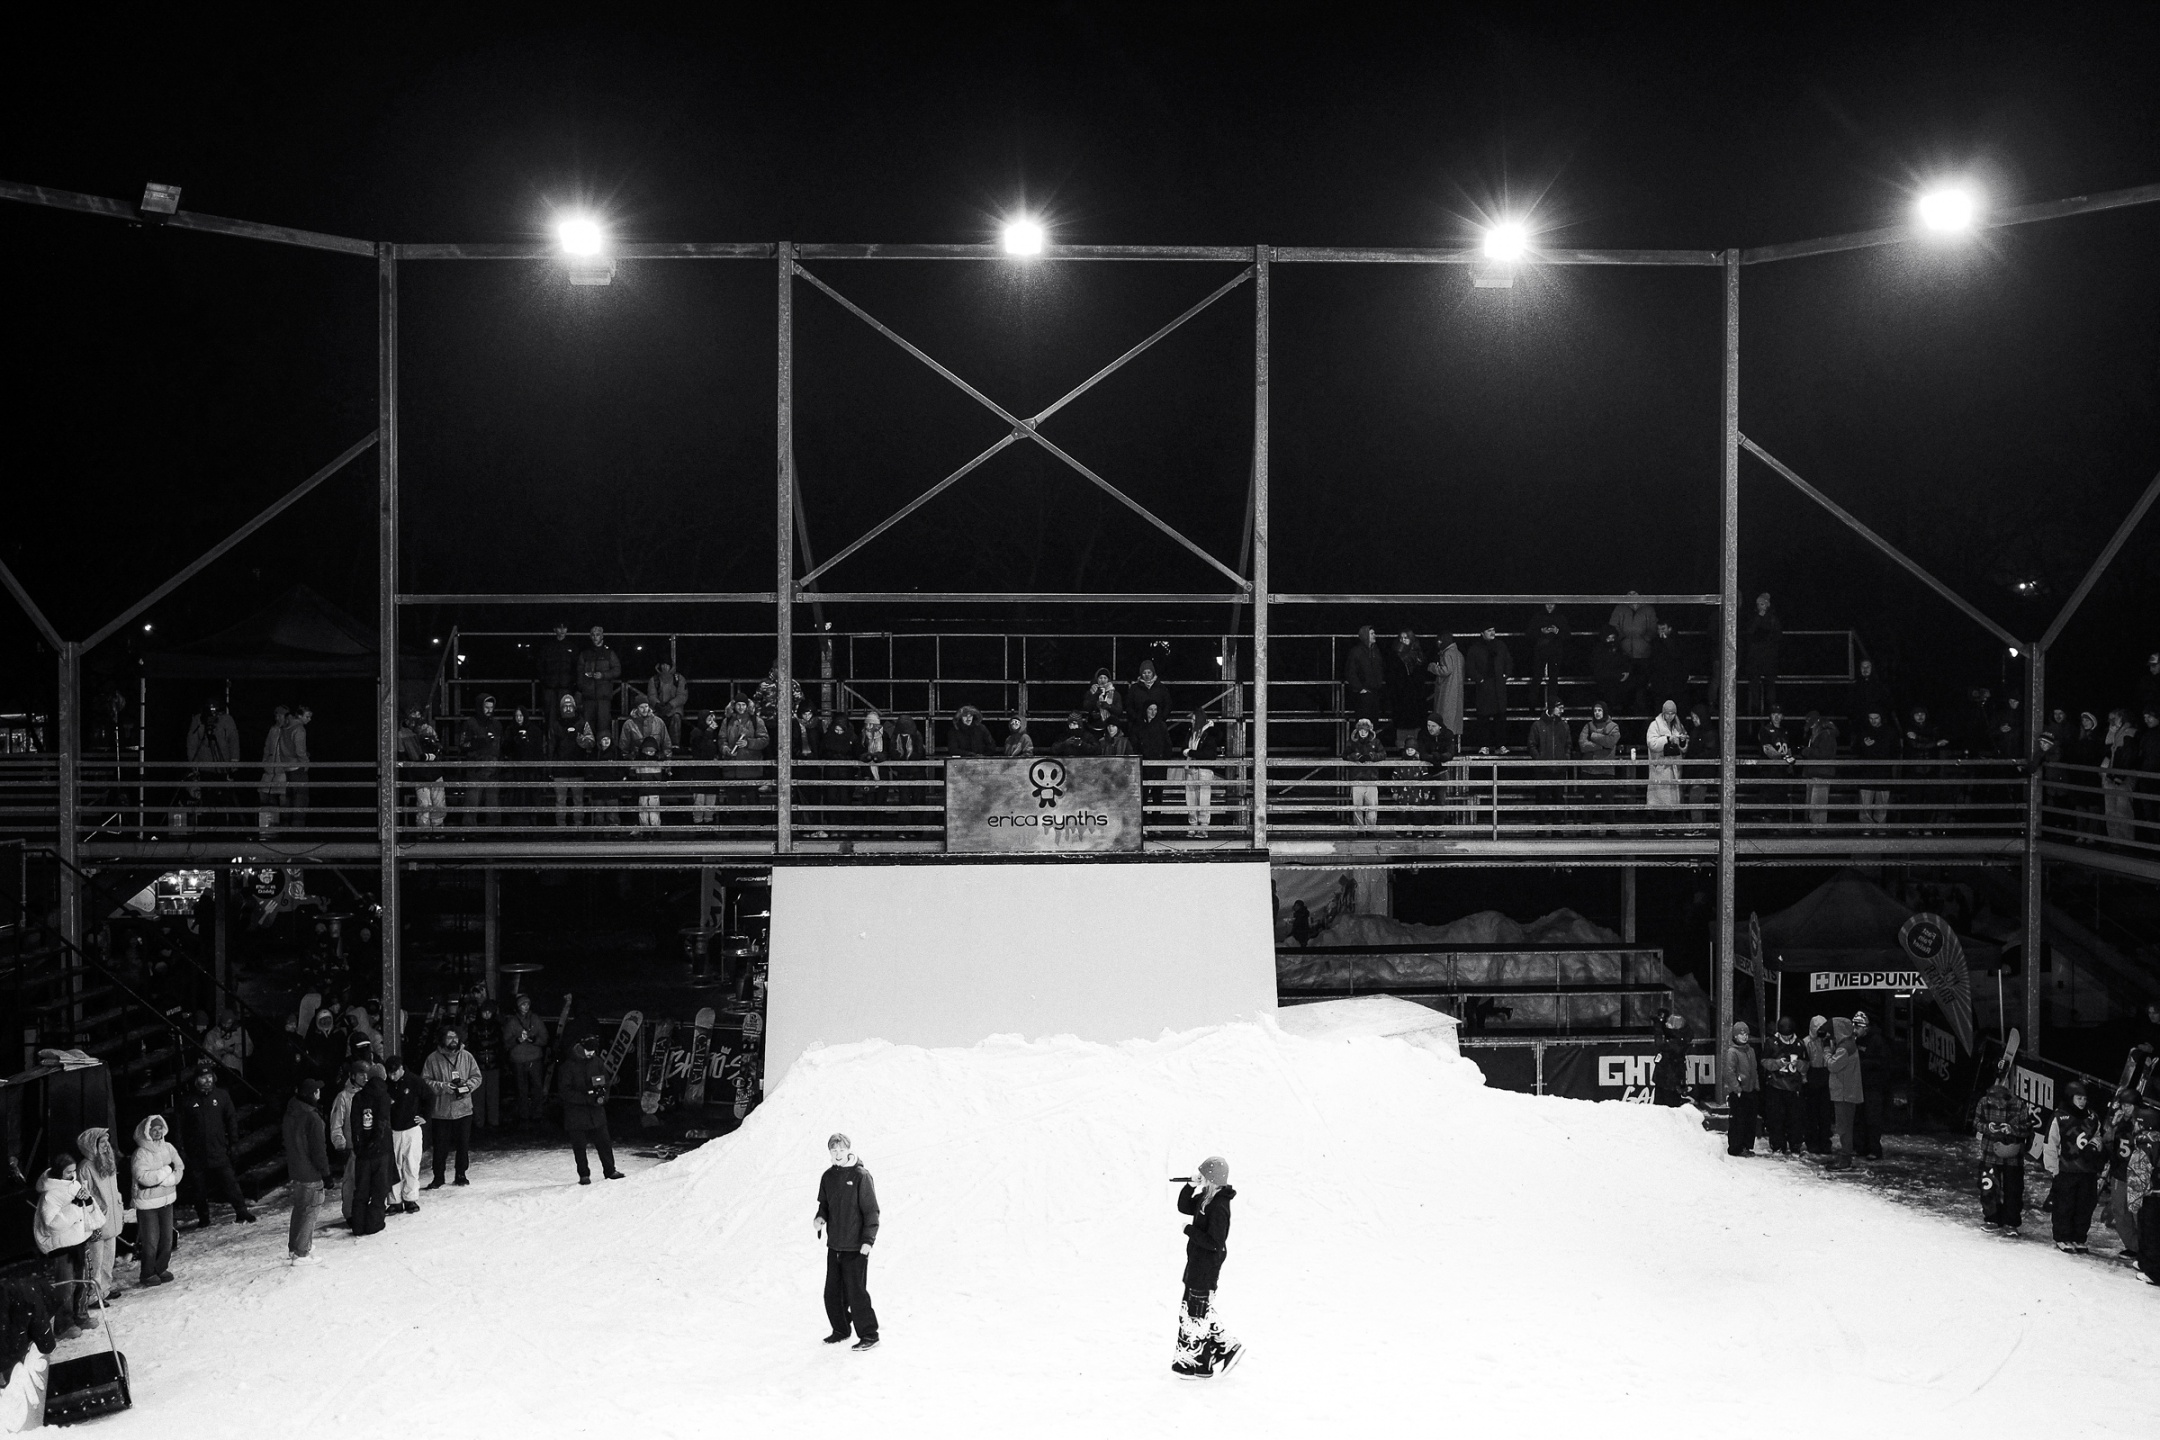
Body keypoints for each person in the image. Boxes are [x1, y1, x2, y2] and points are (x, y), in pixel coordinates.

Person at [1173, 1156, 1242, 1378]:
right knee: (1194, 1311)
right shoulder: (1206, 1198)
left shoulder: (1219, 1206)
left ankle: (1211, 1354)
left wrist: (1189, 1231)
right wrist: (1189, 1186)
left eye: (1203, 1174)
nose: (1200, 1176)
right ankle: (1204, 1362)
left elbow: (1215, 1242)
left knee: (1195, 1313)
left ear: (1212, 1177)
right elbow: (1184, 1206)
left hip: (1206, 1266)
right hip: (1196, 1262)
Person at [815, 1133, 881, 1351]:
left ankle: (870, 1335)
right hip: (834, 1246)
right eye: (834, 1150)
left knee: (856, 1293)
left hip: (856, 1247)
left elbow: (871, 1211)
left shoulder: (861, 1176)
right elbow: (824, 1205)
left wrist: (868, 1241)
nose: (837, 1154)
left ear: (848, 1150)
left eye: (841, 1150)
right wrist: (820, 1217)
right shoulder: (828, 1177)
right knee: (832, 1293)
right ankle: (841, 1330)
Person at [31, 1156, 101, 1339]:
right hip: (62, 1247)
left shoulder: (75, 1185)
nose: (72, 1174)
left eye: (74, 1170)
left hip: (79, 1241)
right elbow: (52, 1224)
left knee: (83, 1281)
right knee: (66, 1286)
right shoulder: (50, 1195)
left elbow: (85, 1209)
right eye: (68, 1171)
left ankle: (81, 1315)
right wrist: (75, 1206)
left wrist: (88, 1202)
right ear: (58, 1172)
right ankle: (64, 1323)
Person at [176, 1060, 254, 1225]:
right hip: (196, 1152)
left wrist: (234, 1143)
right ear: (196, 1080)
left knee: (230, 1182)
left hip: (218, 1149)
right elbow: (179, 1126)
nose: (207, 1080)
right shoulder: (187, 1100)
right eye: (203, 1077)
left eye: (210, 1076)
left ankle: (242, 1211)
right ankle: (203, 1218)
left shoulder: (222, 1096)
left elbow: (231, 1120)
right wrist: (181, 1149)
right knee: (198, 1188)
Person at [2042, 1078, 2105, 1253]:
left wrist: (2095, 1145)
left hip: (2088, 1171)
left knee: (2084, 1206)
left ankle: (2079, 1237)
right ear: (2070, 1098)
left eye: (2084, 1099)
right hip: (2066, 1169)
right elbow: (2050, 1142)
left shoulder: (2092, 1117)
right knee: (2064, 1205)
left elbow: (2098, 1135)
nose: (2082, 1102)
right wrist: (2053, 1168)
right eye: (2079, 1098)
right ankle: (2062, 1237)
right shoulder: (2060, 1117)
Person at [556, 1034, 624, 1185]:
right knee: (579, 1146)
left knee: (604, 1143)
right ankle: (584, 1175)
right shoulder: (568, 1066)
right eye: (588, 1051)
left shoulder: (597, 1062)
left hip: (596, 1112)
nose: (591, 1053)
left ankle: (610, 1170)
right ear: (581, 1048)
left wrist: (602, 1097)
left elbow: (606, 1082)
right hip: (576, 1114)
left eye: (593, 1051)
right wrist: (586, 1098)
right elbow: (565, 1092)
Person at [423, 1025, 481, 1188]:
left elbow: (477, 1077)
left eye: (455, 1037)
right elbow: (425, 1081)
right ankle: (438, 1177)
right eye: (449, 1037)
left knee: (463, 1145)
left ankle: (461, 1174)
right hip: (441, 1112)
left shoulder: (467, 1056)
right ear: (442, 1039)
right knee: (440, 1147)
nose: (453, 1040)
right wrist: (442, 1087)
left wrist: (468, 1086)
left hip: (463, 1110)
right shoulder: (432, 1059)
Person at [72, 1128, 123, 1306]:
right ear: (91, 1145)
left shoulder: (107, 1162)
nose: (106, 1146)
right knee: (96, 1259)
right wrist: (97, 1210)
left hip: (111, 1218)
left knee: (108, 1257)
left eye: (107, 1142)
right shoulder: (86, 1167)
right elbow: (85, 1194)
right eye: (101, 1142)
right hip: (97, 1220)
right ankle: (93, 1295)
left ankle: (105, 1289)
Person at [283, 1077, 331, 1265]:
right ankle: (301, 1252)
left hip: (296, 1168)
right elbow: (318, 1150)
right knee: (310, 1210)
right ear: (313, 1094)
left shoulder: (291, 1111)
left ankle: (295, 1246)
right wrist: (326, 1173)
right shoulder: (312, 1117)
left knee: (300, 1208)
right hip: (310, 1171)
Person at [1976, 1078, 2034, 1235]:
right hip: (1989, 1153)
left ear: (2003, 1100)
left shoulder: (2019, 1105)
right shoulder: (1983, 1103)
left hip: (2012, 1155)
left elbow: (2028, 1128)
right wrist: (1987, 1127)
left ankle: (2011, 1223)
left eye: (1995, 1101)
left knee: (2013, 1190)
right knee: (1988, 1186)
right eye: (1990, 1100)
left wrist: (2011, 1129)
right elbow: (1976, 1123)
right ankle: (1992, 1219)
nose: (1992, 1103)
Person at [347, 1061, 393, 1237]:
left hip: (363, 1154)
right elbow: (382, 1122)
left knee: (361, 1191)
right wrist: (375, 1142)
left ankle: (358, 1225)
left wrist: (360, 1147)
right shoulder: (384, 1096)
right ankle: (374, 1223)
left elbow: (355, 1125)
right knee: (379, 1190)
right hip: (381, 1151)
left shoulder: (358, 1097)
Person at [185, 696, 242, 828]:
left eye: (215, 710)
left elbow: (234, 741)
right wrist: (193, 765)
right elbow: (192, 743)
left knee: (224, 799)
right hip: (205, 768)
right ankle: (208, 827)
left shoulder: (227, 720)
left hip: (223, 768)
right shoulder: (198, 720)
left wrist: (234, 763)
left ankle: (225, 827)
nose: (213, 714)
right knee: (207, 799)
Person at [385, 1054, 430, 1212]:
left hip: (412, 1129)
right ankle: (394, 1200)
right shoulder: (387, 1085)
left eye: (394, 1072)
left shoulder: (415, 1081)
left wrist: (425, 1116)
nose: (392, 1076)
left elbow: (429, 1097)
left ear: (401, 1068)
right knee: (394, 1166)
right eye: (389, 1073)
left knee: (411, 1164)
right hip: (393, 1130)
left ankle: (410, 1198)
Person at [544, 692, 594, 826]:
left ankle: (578, 826)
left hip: (578, 770)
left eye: (570, 706)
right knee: (560, 801)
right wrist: (550, 768)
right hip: (560, 771)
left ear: (574, 707)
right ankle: (561, 826)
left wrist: (582, 741)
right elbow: (550, 748)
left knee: (578, 800)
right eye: (565, 706)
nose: (567, 708)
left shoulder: (582, 723)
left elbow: (591, 743)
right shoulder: (555, 725)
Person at [718, 698, 770, 821]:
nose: (741, 707)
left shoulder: (756, 721)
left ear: (747, 706)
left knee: (753, 804)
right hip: (732, 770)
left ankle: (754, 829)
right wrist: (726, 749)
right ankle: (736, 829)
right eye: (738, 705)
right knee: (733, 805)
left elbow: (765, 740)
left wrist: (748, 743)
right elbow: (721, 739)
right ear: (734, 706)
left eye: (743, 705)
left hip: (750, 770)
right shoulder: (727, 721)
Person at [458, 693, 506, 825]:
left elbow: (501, 746)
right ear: (480, 707)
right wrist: (479, 742)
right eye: (486, 707)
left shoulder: (497, 725)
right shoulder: (470, 723)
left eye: (491, 707)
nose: (489, 710)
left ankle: (493, 831)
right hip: (475, 769)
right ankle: (469, 830)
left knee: (493, 804)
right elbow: (462, 745)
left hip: (493, 770)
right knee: (472, 802)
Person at [1761, 1018, 1806, 1155]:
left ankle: (1795, 1145)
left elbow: (1806, 1064)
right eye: (1784, 1035)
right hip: (1775, 1086)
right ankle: (1777, 1145)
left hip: (1793, 1087)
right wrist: (1777, 1063)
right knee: (1776, 1118)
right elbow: (1764, 1061)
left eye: (1788, 1035)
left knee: (1795, 1118)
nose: (1786, 1038)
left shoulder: (1799, 1044)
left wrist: (1799, 1064)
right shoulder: (1771, 1042)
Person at [504, 994, 551, 1123]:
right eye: (523, 1004)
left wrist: (534, 1040)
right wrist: (517, 1040)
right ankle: (524, 1114)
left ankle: (537, 1113)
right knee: (521, 1088)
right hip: (518, 1060)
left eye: (527, 1004)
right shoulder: (512, 1022)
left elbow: (545, 1038)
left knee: (537, 1087)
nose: (526, 1007)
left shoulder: (535, 1019)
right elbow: (505, 1043)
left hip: (534, 1059)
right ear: (518, 1006)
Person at [1464, 627, 1512, 753]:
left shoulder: (1500, 646)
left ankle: (1500, 746)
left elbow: (1508, 661)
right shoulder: (1475, 648)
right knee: (1483, 718)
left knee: (1500, 717)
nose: (1492, 633)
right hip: (1484, 687)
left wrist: (1505, 675)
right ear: (1482, 633)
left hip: (1498, 686)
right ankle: (1484, 745)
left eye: (1493, 630)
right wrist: (1479, 679)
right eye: (1489, 630)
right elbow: (1470, 666)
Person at [1851, 1010, 1891, 1159]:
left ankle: (1874, 1149)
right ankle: (1859, 1147)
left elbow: (1883, 1062)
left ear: (1865, 1027)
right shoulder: (1854, 1040)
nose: (1855, 1031)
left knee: (1872, 1118)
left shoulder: (1877, 1041)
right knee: (1858, 1117)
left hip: (1874, 1087)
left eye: (1857, 1027)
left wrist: (1863, 1063)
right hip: (1858, 1085)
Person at [398, 709, 447, 828]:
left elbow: (439, 749)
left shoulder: (428, 729)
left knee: (439, 804)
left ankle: (437, 830)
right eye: (412, 717)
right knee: (424, 805)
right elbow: (403, 756)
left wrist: (432, 746)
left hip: (434, 771)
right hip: (419, 773)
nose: (415, 720)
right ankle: (423, 831)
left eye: (418, 715)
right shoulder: (401, 735)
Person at [1577, 702, 1622, 830]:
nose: (1597, 713)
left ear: (1604, 711)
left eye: (1599, 710)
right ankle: (1585, 829)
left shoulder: (1613, 726)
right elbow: (1583, 745)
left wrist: (1593, 736)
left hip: (1606, 769)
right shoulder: (1588, 725)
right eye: (1595, 710)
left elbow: (1611, 742)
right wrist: (1601, 746)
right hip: (1589, 769)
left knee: (1608, 802)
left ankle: (1610, 829)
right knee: (1588, 802)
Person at [1825, 1017, 1862, 1171]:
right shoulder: (1849, 1044)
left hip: (1844, 1094)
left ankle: (1845, 1160)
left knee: (1844, 1128)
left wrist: (1827, 1052)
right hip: (1847, 1092)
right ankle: (1845, 1157)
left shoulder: (1844, 1048)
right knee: (1845, 1127)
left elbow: (1832, 1065)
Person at [1178, 712, 1222, 834]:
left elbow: (1209, 754)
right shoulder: (1192, 733)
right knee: (1191, 798)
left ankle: (1202, 827)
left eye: (1194, 720)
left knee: (1203, 798)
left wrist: (1190, 752)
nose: (1191, 722)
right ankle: (1194, 825)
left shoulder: (1209, 733)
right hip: (1192, 768)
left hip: (1203, 769)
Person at [577, 625, 622, 739]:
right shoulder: (585, 653)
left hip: (603, 696)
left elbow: (617, 670)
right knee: (588, 727)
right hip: (588, 696)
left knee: (603, 727)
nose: (595, 637)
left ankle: (603, 749)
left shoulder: (609, 653)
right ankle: (589, 748)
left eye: (597, 634)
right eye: (593, 635)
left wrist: (603, 675)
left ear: (602, 636)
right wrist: (582, 688)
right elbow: (579, 672)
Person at [1387, 630, 1430, 748]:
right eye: (1401, 638)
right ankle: (1402, 747)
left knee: (1416, 724)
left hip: (1416, 697)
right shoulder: (1394, 656)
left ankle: (1415, 747)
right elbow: (1392, 677)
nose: (1403, 640)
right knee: (1401, 724)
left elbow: (1421, 676)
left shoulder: (1418, 656)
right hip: (1400, 697)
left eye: (1406, 638)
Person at [1854, 709, 1895, 828]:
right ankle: (1866, 826)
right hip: (1866, 772)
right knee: (1865, 801)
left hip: (1883, 772)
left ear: (1881, 717)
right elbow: (1855, 749)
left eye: (1876, 718)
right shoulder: (1863, 731)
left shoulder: (1890, 732)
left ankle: (1880, 826)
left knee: (1882, 801)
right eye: (1871, 718)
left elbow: (1894, 751)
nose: (1873, 721)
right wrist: (1864, 746)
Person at [1741, 591, 1781, 713]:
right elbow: (1749, 632)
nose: (1760, 607)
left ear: (1767, 605)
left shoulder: (1773, 619)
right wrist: (1758, 618)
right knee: (1754, 683)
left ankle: (1771, 710)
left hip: (1768, 657)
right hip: (1755, 657)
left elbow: (1777, 636)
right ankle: (1755, 710)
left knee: (1770, 684)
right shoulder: (1754, 617)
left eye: (1762, 604)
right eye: (1758, 604)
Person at [1343, 717, 1386, 829]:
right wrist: (1356, 757)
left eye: (1365, 730)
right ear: (1358, 730)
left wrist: (1371, 757)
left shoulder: (1376, 742)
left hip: (1371, 779)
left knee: (1372, 807)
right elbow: (1345, 755)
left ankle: (1370, 829)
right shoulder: (1352, 743)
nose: (1363, 733)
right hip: (1357, 778)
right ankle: (1360, 830)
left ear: (1369, 731)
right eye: (1361, 730)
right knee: (1357, 807)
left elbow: (1383, 754)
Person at [2102, 708, 2138, 841]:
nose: (2111, 721)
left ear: (2122, 718)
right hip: (2111, 776)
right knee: (2110, 811)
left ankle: (2126, 842)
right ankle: (2114, 840)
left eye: (2114, 718)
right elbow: (2107, 752)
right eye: (2109, 718)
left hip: (2123, 777)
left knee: (2123, 811)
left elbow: (2129, 755)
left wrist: (2120, 776)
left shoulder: (2130, 733)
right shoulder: (2113, 732)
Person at [1725, 1023, 1760, 1156]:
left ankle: (1746, 1145)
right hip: (1739, 1092)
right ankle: (1736, 1147)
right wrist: (1737, 1089)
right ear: (1735, 1036)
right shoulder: (1732, 1052)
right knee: (1738, 1121)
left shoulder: (1750, 1051)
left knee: (1750, 1120)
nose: (1744, 1037)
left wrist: (1756, 1086)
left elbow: (1754, 1070)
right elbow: (1730, 1072)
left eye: (1746, 1034)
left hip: (1750, 1090)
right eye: (1741, 1034)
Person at [1645, 701, 1687, 810]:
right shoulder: (1655, 725)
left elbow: (1684, 747)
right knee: (1660, 801)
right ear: (1663, 713)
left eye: (1672, 713)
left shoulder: (1678, 726)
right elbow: (1652, 743)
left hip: (1675, 767)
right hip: (1660, 767)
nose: (1670, 716)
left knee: (1673, 802)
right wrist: (1667, 739)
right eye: (1668, 713)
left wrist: (1682, 741)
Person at [470, 999, 505, 1131]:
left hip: (493, 1065)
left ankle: (493, 1121)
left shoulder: (497, 1026)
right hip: (478, 1066)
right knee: (478, 1096)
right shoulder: (473, 1026)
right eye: (485, 1012)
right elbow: (472, 1044)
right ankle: (479, 1122)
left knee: (493, 1095)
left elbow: (500, 1045)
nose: (487, 1015)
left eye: (489, 1012)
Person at [1802, 712, 1840, 828]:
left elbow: (1825, 754)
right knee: (1814, 802)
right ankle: (1814, 826)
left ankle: (1818, 827)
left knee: (1817, 802)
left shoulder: (1825, 734)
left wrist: (1807, 751)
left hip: (1821, 772)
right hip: (1816, 771)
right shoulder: (1821, 733)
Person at [537, 622, 582, 717]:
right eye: (559, 628)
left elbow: (577, 667)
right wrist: (545, 681)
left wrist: (573, 683)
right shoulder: (547, 647)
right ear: (554, 629)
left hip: (566, 687)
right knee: (550, 715)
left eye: (564, 627)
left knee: (565, 714)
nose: (562, 630)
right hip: (550, 687)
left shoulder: (572, 647)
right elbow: (540, 665)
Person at [1342, 625, 1384, 723]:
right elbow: (1350, 671)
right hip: (1363, 694)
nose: (1374, 635)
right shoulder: (1356, 652)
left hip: (1375, 692)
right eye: (1372, 633)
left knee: (1374, 722)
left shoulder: (1376, 651)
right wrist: (1360, 688)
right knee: (1364, 722)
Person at [1426, 634, 1464, 741]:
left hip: (1446, 690)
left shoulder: (1447, 654)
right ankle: (1456, 744)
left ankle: (1444, 742)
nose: (1438, 643)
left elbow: (1446, 670)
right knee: (1454, 721)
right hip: (1457, 691)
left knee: (1444, 719)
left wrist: (1433, 667)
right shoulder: (1459, 654)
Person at [1528, 607, 1568, 710]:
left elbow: (1567, 635)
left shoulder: (1560, 617)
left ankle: (1552, 707)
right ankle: (1532, 707)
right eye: (1547, 603)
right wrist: (1541, 631)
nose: (1549, 606)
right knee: (1537, 678)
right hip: (1540, 652)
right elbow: (1529, 634)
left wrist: (1557, 631)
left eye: (1552, 603)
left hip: (1555, 653)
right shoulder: (1538, 617)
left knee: (1553, 680)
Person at [647, 661, 689, 746]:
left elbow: (682, 696)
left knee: (676, 719)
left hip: (674, 709)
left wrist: (671, 705)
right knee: (653, 721)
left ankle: (675, 746)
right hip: (658, 709)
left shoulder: (679, 678)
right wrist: (657, 704)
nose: (665, 667)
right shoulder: (654, 679)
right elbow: (651, 695)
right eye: (663, 664)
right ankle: (654, 746)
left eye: (667, 665)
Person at [1651, 1013, 1689, 1107]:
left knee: (1669, 1106)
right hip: (1664, 1079)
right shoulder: (1674, 1038)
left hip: (1670, 1080)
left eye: (1669, 1023)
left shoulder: (1677, 1041)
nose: (1666, 1025)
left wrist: (1658, 1028)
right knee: (1660, 1105)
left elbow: (1661, 1045)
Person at [203, 1010, 252, 1083]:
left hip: (235, 1071)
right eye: (224, 1023)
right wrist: (218, 1052)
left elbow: (248, 1049)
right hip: (218, 1071)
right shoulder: (212, 1034)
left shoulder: (240, 1032)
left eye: (229, 1023)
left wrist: (233, 1049)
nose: (226, 1025)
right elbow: (207, 1054)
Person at [1127, 658, 1172, 729]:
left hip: (1158, 725)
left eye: (1149, 672)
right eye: (1144, 673)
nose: (1147, 675)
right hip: (1138, 725)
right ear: (1141, 674)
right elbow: (1129, 705)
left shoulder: (1161, 688)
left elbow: (1168, 705)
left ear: (1153, 673)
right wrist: (1136, 719)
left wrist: (1161, 719)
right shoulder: (1134, 688)